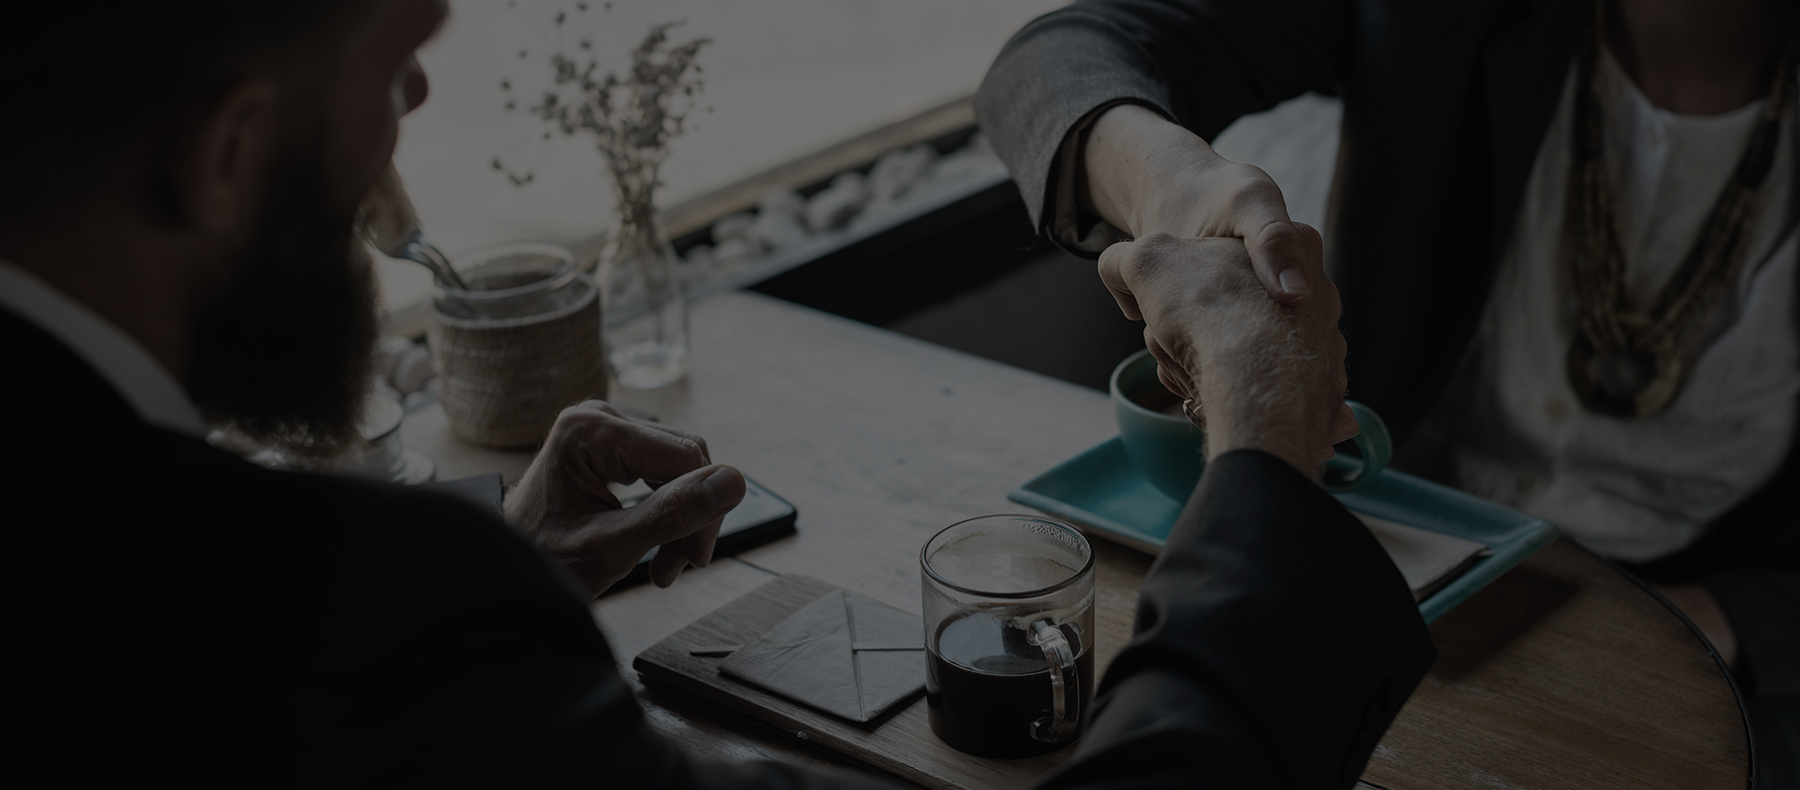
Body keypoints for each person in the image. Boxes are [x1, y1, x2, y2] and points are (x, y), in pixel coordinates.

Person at [2, 1, 1432, 784]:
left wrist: (498, 572)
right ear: (226, 154)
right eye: (399, 66)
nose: (412, 122)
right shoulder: (325, 620)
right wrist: (1264, 440)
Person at [975, 0, 1798, 780]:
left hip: (1700, 644)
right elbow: (1053, 62)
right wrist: (1168, 184)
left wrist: (1728, 619)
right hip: (1386, 578)